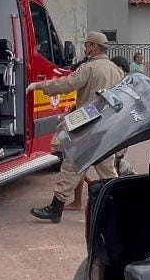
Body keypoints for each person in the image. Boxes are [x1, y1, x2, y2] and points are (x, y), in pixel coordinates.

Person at [26, 31, 124, 222]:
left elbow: (66, 85)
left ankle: (55, 209)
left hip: (88, 125)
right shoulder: (116, 70)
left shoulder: (90, 68)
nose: (85, 48)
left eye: (87, 45)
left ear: (94, 47)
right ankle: (119, 208)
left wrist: (39, 86)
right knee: (107, 171)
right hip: (107, 128)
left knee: (70, 165)